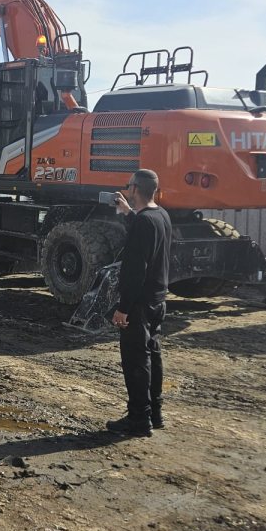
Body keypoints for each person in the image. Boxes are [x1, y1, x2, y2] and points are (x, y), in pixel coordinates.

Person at [107, 168, 172, 438]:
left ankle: (138, 420)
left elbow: (135, 270)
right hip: (158, 300)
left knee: (136, 362)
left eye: (128, 186)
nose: (126, 189)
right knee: (152, 357)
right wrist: (128, 215)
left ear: (134, 189)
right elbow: (147, 234)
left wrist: (123, 308)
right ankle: (154, 414)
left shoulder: (144, 222)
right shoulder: (161, 216)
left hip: (139, 304)